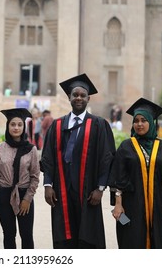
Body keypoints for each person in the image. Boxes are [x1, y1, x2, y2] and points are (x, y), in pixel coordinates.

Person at [40, 73, 116, 249]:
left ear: (88, 98)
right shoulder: (57, 125)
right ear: (69, 97)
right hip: (61, 189)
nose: (79, 98)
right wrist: (48, 185)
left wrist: (100, 188)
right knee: (64, 234)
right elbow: (48, 157)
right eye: (75, 95)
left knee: (88, 234)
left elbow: (107, 157)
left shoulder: (98, 124)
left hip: (88, 191)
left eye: (82, 95)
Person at [108, 97, 162, 249]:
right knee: (130, 240)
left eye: (143, 120)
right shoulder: (126, 146)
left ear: (151, 122)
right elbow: (117, 178)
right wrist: (118, 205)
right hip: (131, 205)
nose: (139, 124)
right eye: (136, 120)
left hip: (158, 205)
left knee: (156, 241)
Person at [0, 108, 40, 248]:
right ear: (8, 126)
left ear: (24, 127)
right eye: (13, 124)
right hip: (4, 196)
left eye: (19, 124)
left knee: (27, 235)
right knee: (9, 235)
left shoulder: (31, 149)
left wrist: (27, 199)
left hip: (24, 194)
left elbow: (35, 177)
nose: (16, 128)